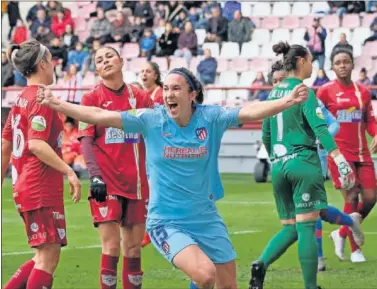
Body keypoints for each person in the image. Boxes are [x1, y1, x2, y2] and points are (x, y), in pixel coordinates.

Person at [37, 66, 310, 289]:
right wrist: (59, 104)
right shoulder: (151, 119)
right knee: (204, 275)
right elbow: (99, 115)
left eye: (176, 88)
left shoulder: (211, 117)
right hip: (166, 221)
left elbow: (250, 110)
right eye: (166, 88)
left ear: (192, 94)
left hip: (206, 217)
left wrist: (287, 101)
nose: (168, 93)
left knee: (227, 285)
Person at [249, 42, 356, 289]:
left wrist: (277, 160)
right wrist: (340, 160)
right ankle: (310, 286)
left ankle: (261, 264)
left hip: (279, 167)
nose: (312, 65)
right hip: (303, 163)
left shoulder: (273, 94)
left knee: (291, 229)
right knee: (307, 227)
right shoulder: (302, 91)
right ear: (300, 62)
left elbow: (266, 133)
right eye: (310, 61)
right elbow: (320, 128)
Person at [266, 60, 364, 273]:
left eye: (282, 80)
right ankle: (349, 221)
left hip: (310, 158)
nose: (278, 85)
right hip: (286, 162)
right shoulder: (273, 103)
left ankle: (318, 257)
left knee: (308, 210)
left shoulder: (304, 97)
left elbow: (333, 123)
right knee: (315, 209)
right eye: (274, 82)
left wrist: (321, 143)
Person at [1, 39, 81, 289]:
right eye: (51, 59)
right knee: (48, 258)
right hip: (40, 187)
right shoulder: (40, 98)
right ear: (43, 63)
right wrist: (69, 170)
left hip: (24, 186)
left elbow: (5, 147)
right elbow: (36, 144)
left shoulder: (21, 99)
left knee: (41, 256)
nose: (55, 64)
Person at [77, 46, 152, 289]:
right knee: (111, 247)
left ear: (120, 61)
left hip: (137, 183)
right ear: (97, 69)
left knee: (133, 249)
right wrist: (95, 176)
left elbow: (157, 133)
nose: (105, 61)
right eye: (99, 60)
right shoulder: (90, 99)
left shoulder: (140, 98)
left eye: (109, 56)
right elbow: (86, 141)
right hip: (105, 182)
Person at [317, 47, 377, 263]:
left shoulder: (363, 92)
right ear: (332, 67)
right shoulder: (324, 92)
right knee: (351, 196)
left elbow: (369, 120)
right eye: (338, 62)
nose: (342, 65)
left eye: (346, 61)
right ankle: (356, 251)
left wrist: (376, 134)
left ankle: (340, 233)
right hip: (339, 154)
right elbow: (318, 121)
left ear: (352, 64)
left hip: (363, 152)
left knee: (371, 197)